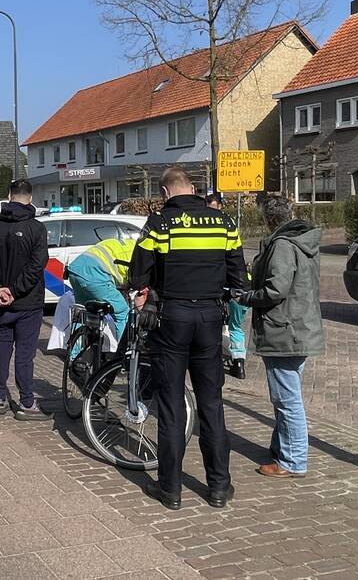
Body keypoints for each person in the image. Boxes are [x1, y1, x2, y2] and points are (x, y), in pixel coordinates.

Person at [129, 168, 248, 510]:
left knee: (171, 406)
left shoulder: (160, 223)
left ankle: (170, 490)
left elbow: (138, 273)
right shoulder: (224, 223)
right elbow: (239, 275)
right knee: (211, 403)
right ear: (194, 189)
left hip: (172, 319)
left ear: (166, 193)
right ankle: (220, 488)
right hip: (210, 319)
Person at [235, 196, 324, 478]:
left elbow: (276, 290)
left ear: (269, 219)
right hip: (299, 327)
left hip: (284, 329)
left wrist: (246, 296)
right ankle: (281, 448)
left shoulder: (283, 245)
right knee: (287, 394)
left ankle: (293, 460)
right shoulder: (302, 241)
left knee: (287, 399)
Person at [0, 179, 51, 421]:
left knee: (2, 347)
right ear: (30, 199)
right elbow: (36, 266)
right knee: (24, 353)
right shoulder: (37, 229)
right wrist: (16, 291)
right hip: (28, 302)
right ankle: (26, 402)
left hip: (0, 302)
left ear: (9, 196)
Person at [205, 192, 249, 380]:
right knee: (235, 326)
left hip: (225, 287)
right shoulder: (228, 226)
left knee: (225, 325)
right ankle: (239, 363)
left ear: (220, 206)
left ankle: (227, 362)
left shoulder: (213, 226)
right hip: (240, 286)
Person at [65, 236, 137, 342]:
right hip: (95, 274)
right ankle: (124, 354)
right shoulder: (140, 254)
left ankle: (74, 354)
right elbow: (136, 281)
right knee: (122, 313)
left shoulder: (128, 245)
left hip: (75, 270)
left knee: (83, 313)